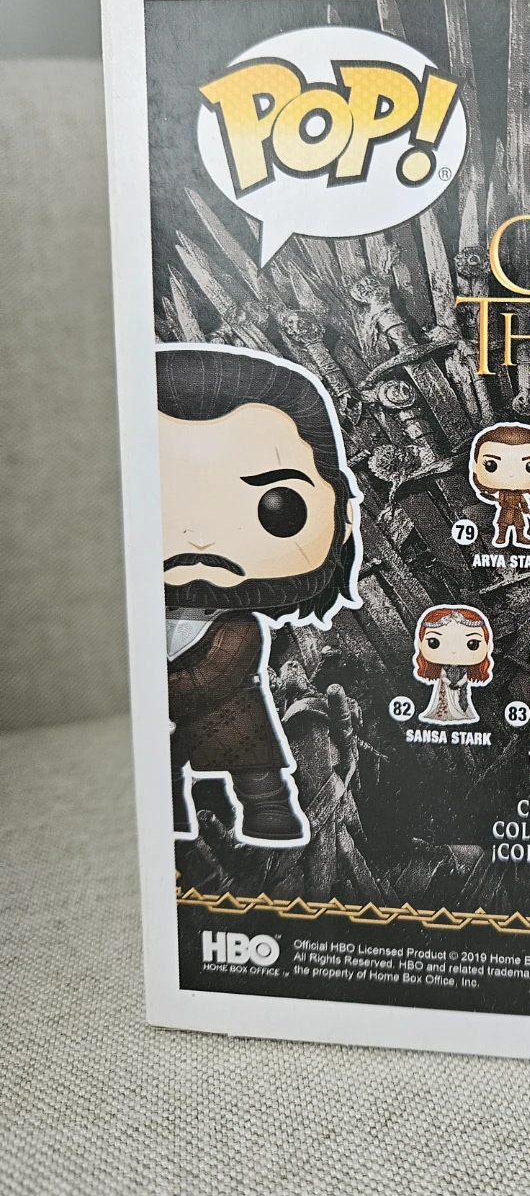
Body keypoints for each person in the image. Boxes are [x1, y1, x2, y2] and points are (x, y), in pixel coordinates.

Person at [158, 343, 361, 845]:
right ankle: (169, 819)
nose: (198, 538)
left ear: (343, 514)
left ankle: (269, 812)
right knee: (160, 775)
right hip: (160, 716)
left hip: (224, 704)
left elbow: (223, 671)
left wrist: (161, 696)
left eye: (278, 505)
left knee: (253, 765)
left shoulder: (237, 627)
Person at [469, 422, 530, 549]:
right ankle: (501, 537)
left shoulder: (519, 494)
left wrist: (526, 510)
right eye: (491, 465)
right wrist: (503, 503)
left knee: (520, 525)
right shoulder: (503, 493)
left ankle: (520, 537)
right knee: (503, 523)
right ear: (475, 466)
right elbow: (500, 502)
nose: (511, 474)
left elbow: (523, 502)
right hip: (507, 510)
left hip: (517, 510)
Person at [413, 605, 494, 725]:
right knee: (445, 701)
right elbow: (443, 675)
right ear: (420, 644)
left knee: (459, 700)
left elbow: (465, 677)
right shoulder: (445, 667)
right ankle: (445, 714)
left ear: (487, 646)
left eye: (472, 644)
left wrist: (459, 684)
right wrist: (449, 683)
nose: (453, 651)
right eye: (434, 642)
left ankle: (460, 712)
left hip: (459, 687)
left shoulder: (463, 669)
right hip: (446, 687)